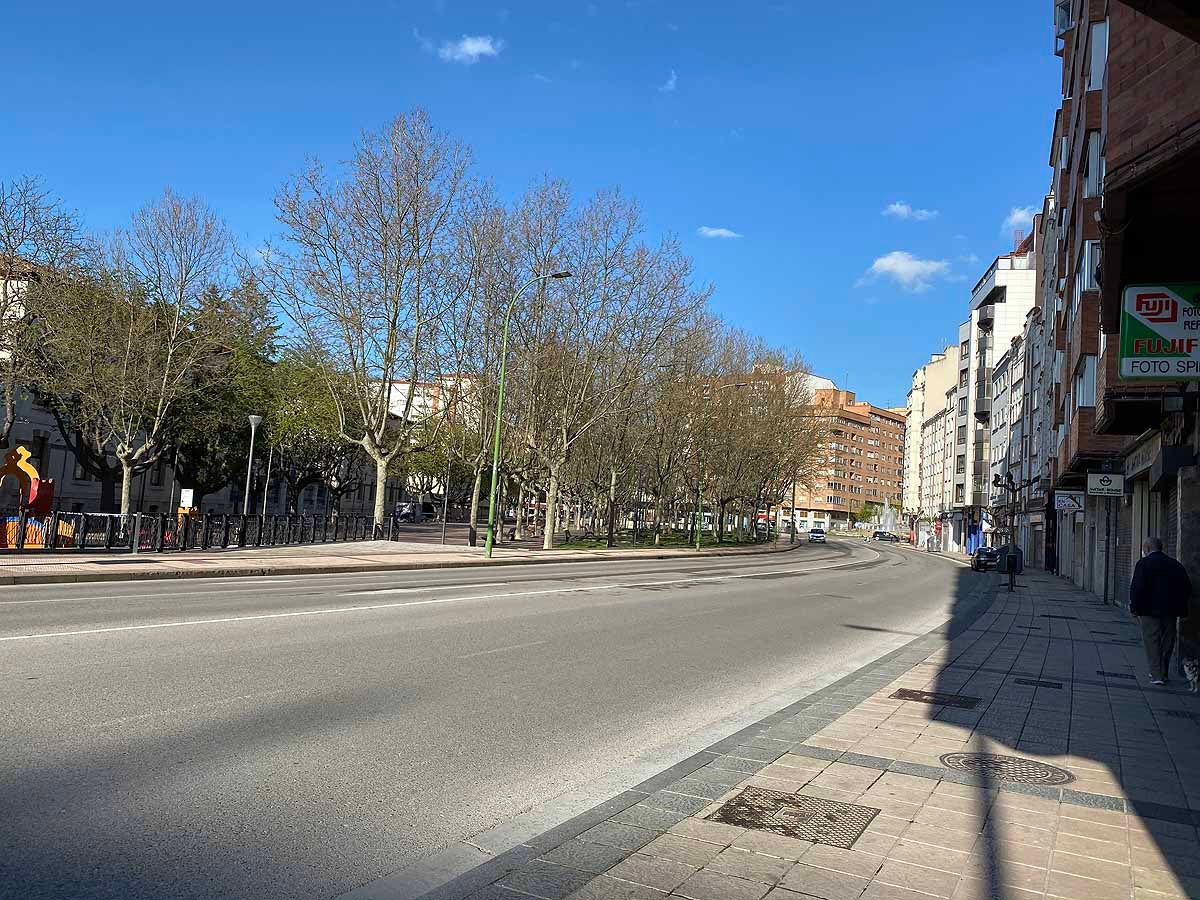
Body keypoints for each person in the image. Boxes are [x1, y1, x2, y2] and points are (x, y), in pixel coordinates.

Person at [1130, 537, 1192, 686]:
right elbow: (1187, 588)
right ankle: (1163, 671)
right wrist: (1180, 607)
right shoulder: (1175, 565)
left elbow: (1137, 588)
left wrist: (1134, 608)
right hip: (1170, 611)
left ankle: (1156, 674)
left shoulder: (1143, 564)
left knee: (1152, 641)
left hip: (1148, 610)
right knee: (1167, 641)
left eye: (1144, 548)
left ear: (1147, 548)